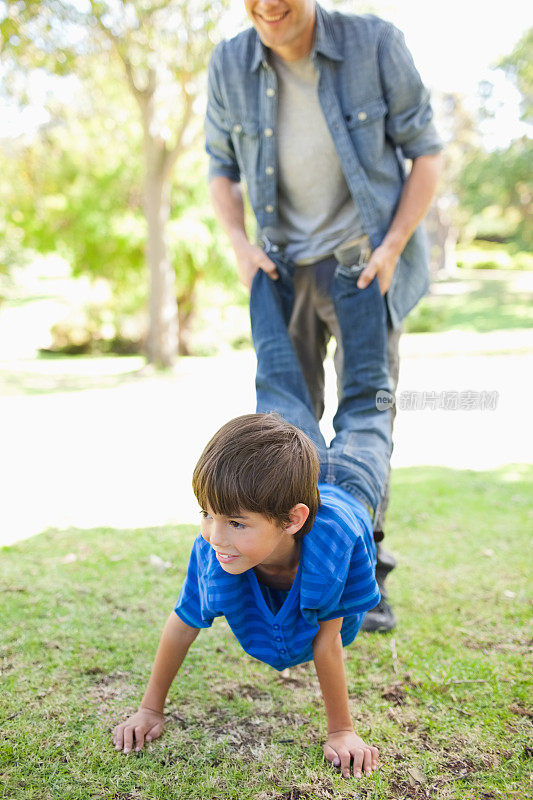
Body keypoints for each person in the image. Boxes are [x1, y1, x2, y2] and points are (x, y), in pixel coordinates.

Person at [206, 0, 444, 631]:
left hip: (366, 264)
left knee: (369, 408)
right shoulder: (230, 62)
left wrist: (392, 247)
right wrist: (239, 244)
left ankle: (364, 571)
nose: (266, 5)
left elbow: (427, 153)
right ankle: (296, 567)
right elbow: (220, 169)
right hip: (282, 268)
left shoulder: (374, 44)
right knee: (285, 421)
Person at [113, 256, 392, 779]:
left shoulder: (331, 547)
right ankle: (267, 278)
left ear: (292, 521)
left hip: (351, 478)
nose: (215, 536)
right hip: (279, 476)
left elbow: (326, 641)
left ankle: (360, 276)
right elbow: (182, 623)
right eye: (207, 515)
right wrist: (150, 708)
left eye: (234, 523)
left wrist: (340, 731)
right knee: (280, 380)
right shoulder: (219, 545)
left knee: (367, 400)